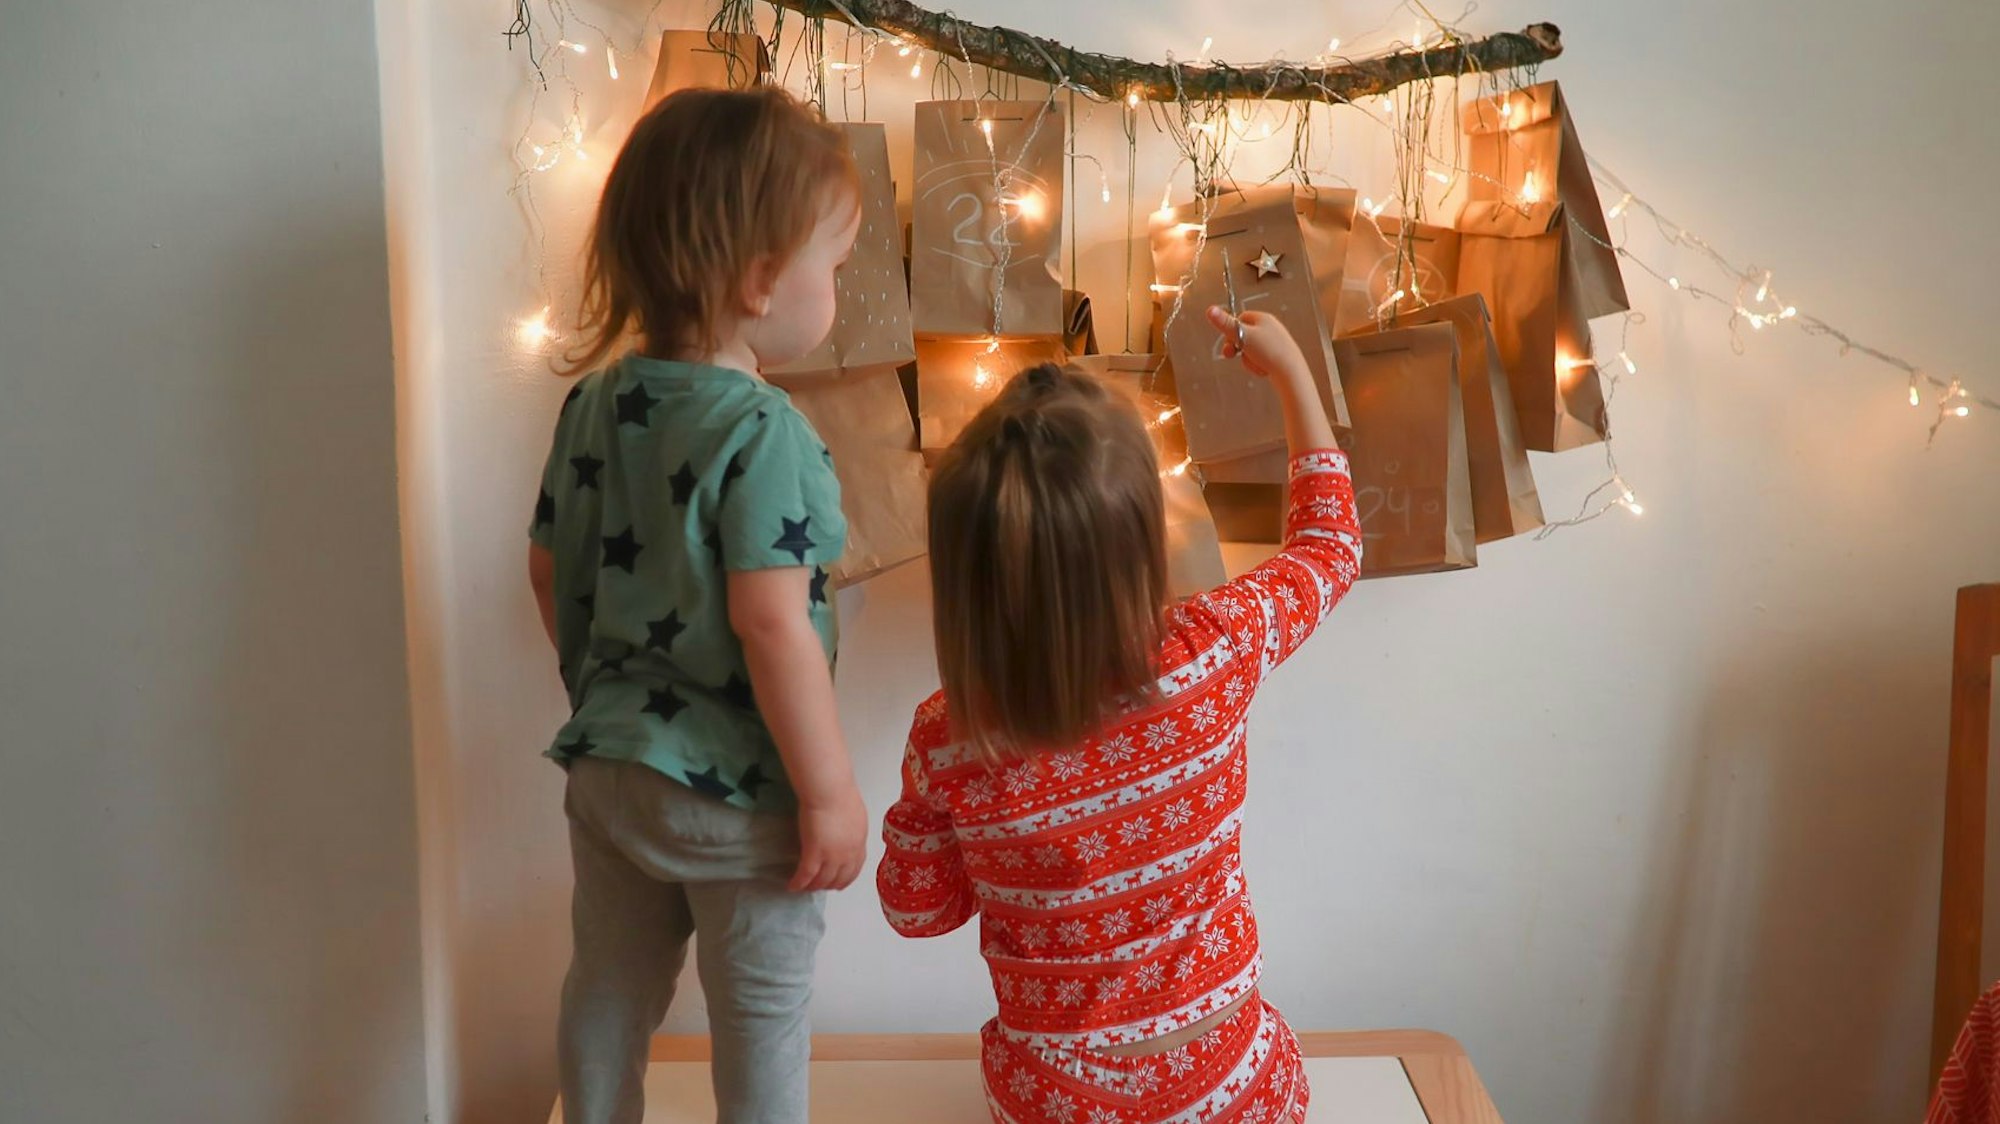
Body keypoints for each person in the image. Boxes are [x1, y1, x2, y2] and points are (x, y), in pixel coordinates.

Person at [877, 306, 1364, 1122]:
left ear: (965, 584)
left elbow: (917, 912)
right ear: (1141, 541)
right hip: (1227, 1091)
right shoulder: (1212, 652)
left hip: (1056, 1102)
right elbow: (1331, 546)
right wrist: (1291, 374)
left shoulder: (949, 737)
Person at [527, 86, 867, 1124]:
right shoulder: (762, 429)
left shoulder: (594, 401)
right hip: (737, 794)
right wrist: (827, 794)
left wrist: (606, 699)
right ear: (761, 281)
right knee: (759, 1015)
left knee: (608, 984)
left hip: (609, 768)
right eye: (834, 266)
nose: (837, 289)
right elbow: (771, 623)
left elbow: (546, 567)